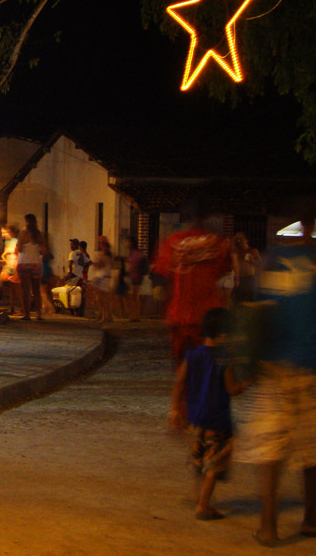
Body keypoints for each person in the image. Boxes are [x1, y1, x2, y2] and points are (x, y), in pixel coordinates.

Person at [237, 215, 316, 546]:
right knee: (311, 449)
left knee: (271, 449)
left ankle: (268, 526)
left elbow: (254, 309)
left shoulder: (269, 258)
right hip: (311, 367)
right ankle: (311, 520)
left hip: (272, 367)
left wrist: (245, 365)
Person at [170, 308, 248, 521]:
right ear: (223, 335)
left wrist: (176, 409)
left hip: (196, 417)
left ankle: (198, 497)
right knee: (215, 463)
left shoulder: (193, 354)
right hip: (218, 420)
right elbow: (232, 389)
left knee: (199, 458)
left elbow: (180, 382)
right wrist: (246, 383)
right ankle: (204, 506)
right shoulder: (225, 360)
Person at [153, 198, 231, 361]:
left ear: (185, 217)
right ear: (207, 217)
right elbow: (223, 273)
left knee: (183, 369)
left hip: (180, 316)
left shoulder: (172, 243)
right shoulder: (217, 243)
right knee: (207, 370)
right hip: (209, 319)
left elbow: (163, 278)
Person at [16, 214, 46, 320]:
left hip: (24, 262)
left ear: (26, 221)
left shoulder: (22, 233)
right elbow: (43, 250)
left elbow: (19, 249)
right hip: (36, 263)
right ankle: (38, 313)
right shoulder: (39, 234)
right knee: (36, 290)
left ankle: (27, 314)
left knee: (25, 290)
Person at [90, 236, 114, 324]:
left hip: (104, 277)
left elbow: (100, 265)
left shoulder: (105, 255)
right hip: (102, 277)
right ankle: (104, 316)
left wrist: (95, 262)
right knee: (101, 299)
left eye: (100, 243)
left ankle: (105, 316)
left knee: (103, 299)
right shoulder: (106, 254)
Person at [231, 232, 260, 303]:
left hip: (249, 277)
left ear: (246, 240)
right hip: (238, 278)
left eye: (241, 239)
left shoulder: (253, 251)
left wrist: (252, 261)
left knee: (249, 298)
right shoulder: (236, 252)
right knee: (238, 299)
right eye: (238, 240)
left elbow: (260, 265)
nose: (240, 241)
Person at [0, 225, 21, 316]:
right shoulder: (9, 242)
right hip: (11, 264)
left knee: (16, 288)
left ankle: (20, 307)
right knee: (12, 288)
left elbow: (13, 253)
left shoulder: (14, 242)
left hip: (13, 264)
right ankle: (12, 307)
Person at [126, 235, 148, 322]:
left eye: (128, 242)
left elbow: (135, 264)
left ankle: (136, 315)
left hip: (136, 276)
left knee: (135, 296)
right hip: (134, 276)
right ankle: (134, 315)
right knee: (133, 296)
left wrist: (131, 269)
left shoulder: (136, 253)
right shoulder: (132, 252)